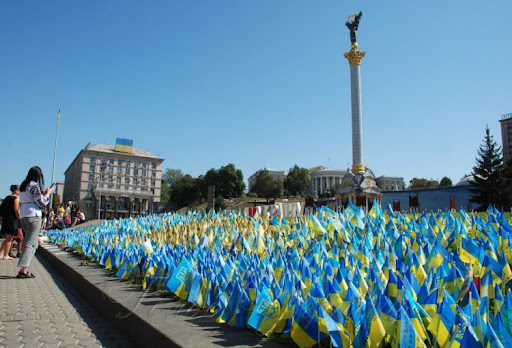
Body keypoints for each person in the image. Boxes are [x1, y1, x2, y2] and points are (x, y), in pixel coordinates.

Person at [17, 166, 52, 278]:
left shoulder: (23, 185)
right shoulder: (33, 185)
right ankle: (23, 269)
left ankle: (25, 268)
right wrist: (47, 195)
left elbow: (32, 198)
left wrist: (42, 193)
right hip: (33, 215)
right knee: (30, 243)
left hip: (24, 215)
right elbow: (41, 202)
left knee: (33, 243)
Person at [0, 185, 21, 260]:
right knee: (10, 239)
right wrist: (19, 217)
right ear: (15, 190)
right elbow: (16, 210)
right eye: (19, 190)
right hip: (12, 220)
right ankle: (6, 255)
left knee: (6, 239)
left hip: (6, 219)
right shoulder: (16, 198)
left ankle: (1, 254)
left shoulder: (7, 197)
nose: (20, 191)